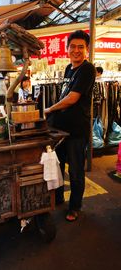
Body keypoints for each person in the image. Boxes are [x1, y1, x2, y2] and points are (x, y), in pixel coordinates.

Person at [45, 30, 96, 222]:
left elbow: (72, 98)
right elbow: (64, 95)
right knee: (58, 166)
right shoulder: (68, 68)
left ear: (87, 50)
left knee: (75, 171)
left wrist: (49, 110)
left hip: (76, 131)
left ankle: (75, 207)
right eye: (73, 46)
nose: (76, 50)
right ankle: (58, 198)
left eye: (80, 47)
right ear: (67, 49)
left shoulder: (87, 69)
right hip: (61, 131)